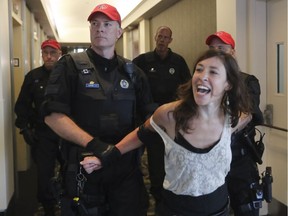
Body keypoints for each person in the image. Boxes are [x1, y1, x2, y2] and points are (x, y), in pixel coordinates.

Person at [80, 49, 253, 216]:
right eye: (199, 70)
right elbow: (142, 134)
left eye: (213, 72)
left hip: (219, 209)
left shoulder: (233, 119)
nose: (202, 76)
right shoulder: (170, 115)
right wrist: (108, 156)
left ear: (228, 84)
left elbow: (248, 115)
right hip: (176, 210)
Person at [42, 3, 156, 216]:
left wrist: (118, 150)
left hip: (125, 169)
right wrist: (95, 145)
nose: (99, 28)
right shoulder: (68, 66)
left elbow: (150, 119)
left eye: (106, 24)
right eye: (94, 24)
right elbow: (52, 115)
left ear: (119, 32)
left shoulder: (133, 72)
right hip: (84, 167)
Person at [132, 25, 191, 213]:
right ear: (155, 37)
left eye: (166, 37)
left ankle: (173, 194)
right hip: (152, 120)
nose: (162, 40)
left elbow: (187, 87)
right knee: (156, 161)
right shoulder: (142, 61)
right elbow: (132, 84)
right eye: (160, 36)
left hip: (174, 121)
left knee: (175, 158)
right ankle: (158, 197)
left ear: (170, 40)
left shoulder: (178, 61)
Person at [205, 31, 264, 216]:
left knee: (245, 209)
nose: (216, 52)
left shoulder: (247, 81)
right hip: (211, 161)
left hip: (240, 161)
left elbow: (246, 114)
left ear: (233, 52)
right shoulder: (204, 81)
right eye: (212, 49)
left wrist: (221, 134)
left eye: (221, 48)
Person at [14, 39, 63, 216]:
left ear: (60, 55)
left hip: (68, 134)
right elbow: (22, 105)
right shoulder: (33, 77)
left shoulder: (69, 75)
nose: (49, 57)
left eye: (53, 53)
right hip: (43, 134)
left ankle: (70, 204)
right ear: (42, 54)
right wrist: (24, 128)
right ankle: (48, 207)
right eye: (45, 53)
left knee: (71, 171)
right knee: (44, 175)